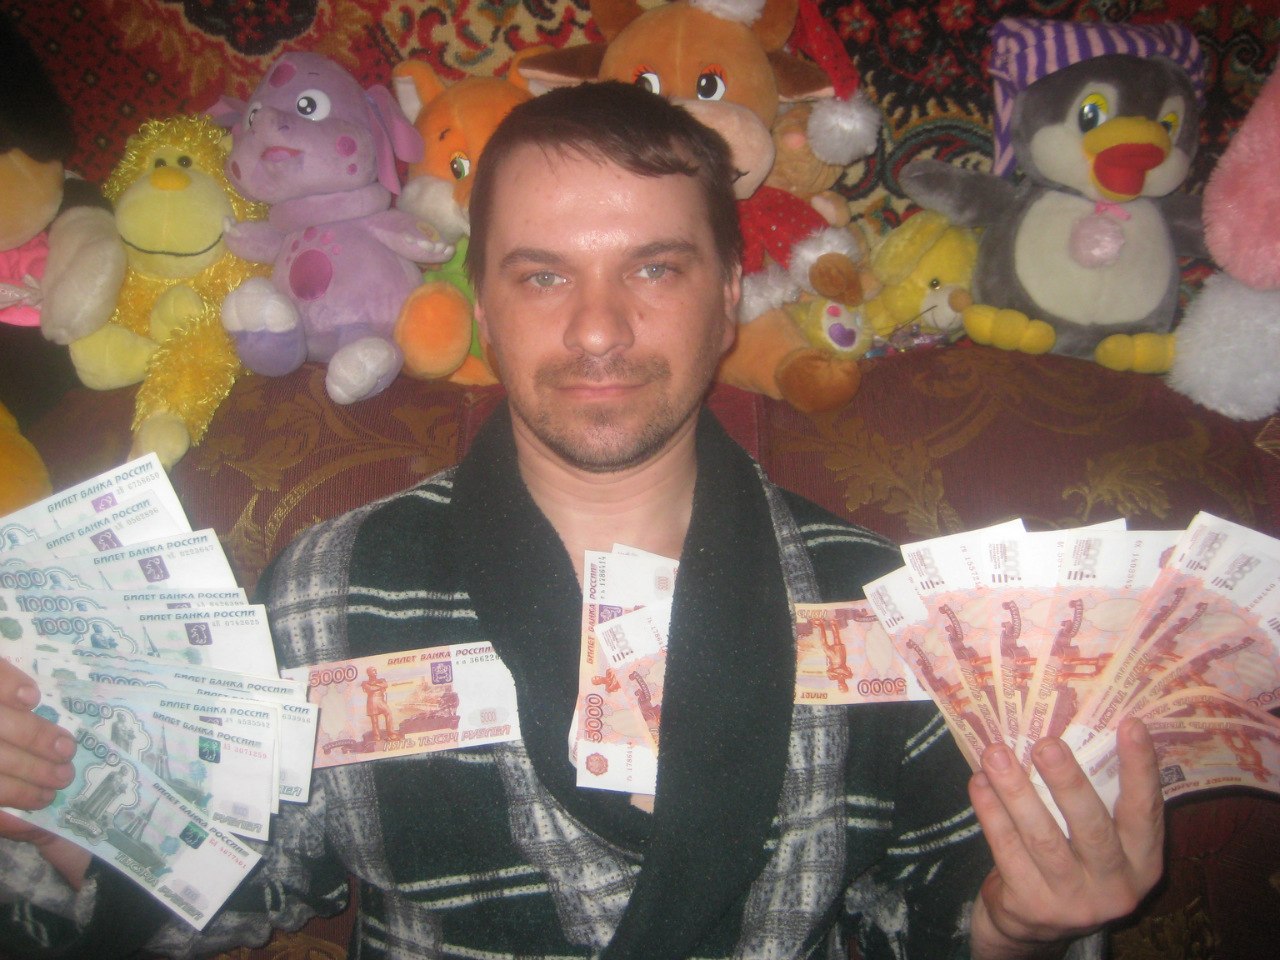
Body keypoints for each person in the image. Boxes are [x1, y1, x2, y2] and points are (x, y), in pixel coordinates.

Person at [0, 81, 1163, 960]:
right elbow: (236, 890)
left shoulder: (885, 604)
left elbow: (935, 911)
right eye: (543, 276)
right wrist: (70, 812)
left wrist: (1015, 926)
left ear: (726, 302)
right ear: (482, 306)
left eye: (653, 270)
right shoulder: (328, 586)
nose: (597, 330)